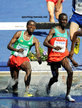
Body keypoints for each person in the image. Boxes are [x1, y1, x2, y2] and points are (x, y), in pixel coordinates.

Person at [43, 13, 78, 102]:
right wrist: (54, 47)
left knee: (70, 71)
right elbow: (45, 42)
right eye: (62, 20)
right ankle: (48, 86)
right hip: (54, 57)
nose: (64, 21)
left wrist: (72, 60)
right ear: (59, 20)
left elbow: (65, 49)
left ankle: (68, 94)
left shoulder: (66, 33)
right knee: (55, 78)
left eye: (66, 20)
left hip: (62, 56)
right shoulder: (54, 30)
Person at [7, 20, 42, 96]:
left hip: (23, 59)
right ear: (26, 26)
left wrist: (39, 58)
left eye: (33, 26)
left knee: (28, 69)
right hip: (14, 58)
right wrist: (17, 50)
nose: (31, 27)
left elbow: (37, 51)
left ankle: (27, 91)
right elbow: (9, 46)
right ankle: (14, 96)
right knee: (15, 82)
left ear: (35, 28)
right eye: (30, 25)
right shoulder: (19, 34)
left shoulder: (34, 40)